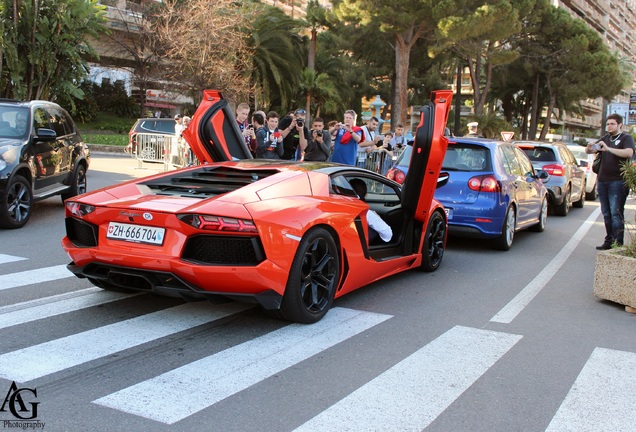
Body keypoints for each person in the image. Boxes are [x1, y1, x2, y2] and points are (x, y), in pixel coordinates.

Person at [586, 113, 635, 250]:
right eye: (607, 124)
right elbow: (588, 151)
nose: (609, 126)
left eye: (612, 124)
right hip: (602, 180)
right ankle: (609, 239)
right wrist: (590, 147)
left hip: (618, 181)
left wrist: (608, 149)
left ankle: (618, 243)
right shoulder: (605, 138)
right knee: (606, 213)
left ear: (620, 125)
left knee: (616, 212)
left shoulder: (626, 138)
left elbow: (629, 153)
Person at [349, 178, 393, 243]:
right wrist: (377, 217)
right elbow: (388, 234)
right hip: (361, 248)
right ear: (365, 194)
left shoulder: (340, 208)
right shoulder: (366, 213)